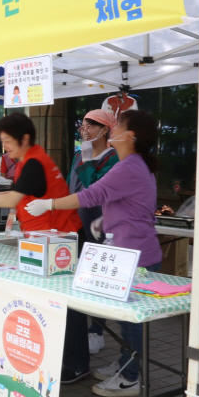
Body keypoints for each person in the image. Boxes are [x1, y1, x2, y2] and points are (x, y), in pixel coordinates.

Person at [26, 110, 162, 397]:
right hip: (125, 251)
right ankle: (127, 363)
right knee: (124, 320)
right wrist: (107, 221)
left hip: (136, 256)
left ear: (130, 137)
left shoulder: (130, 165)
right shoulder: (132, 163)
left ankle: (130, 378)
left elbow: (92, 195)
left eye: (118, 126)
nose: (113, 129)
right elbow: (125, 202)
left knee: (131, 321)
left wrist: (48, 204)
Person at [0, 112, 82, 234]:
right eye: (2, 141)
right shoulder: (28, 160)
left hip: (59, 234)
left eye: (8, 141)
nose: (5, 146)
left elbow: (11, 200)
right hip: (46, 232)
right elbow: (14, 194)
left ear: (25, 139)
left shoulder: (34, 163)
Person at [67, 110, 119, 357]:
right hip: (78, 222)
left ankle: (97, 332)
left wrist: (88, 163)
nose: (84, 130)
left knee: (100, 280)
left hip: (103, 225)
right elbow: (72, 186)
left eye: (90, 126)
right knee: (78, 278)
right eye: (82, 125)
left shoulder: (113, 159)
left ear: (105, 129)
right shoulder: (80, 154)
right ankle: (81, 331)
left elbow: (96, 190)